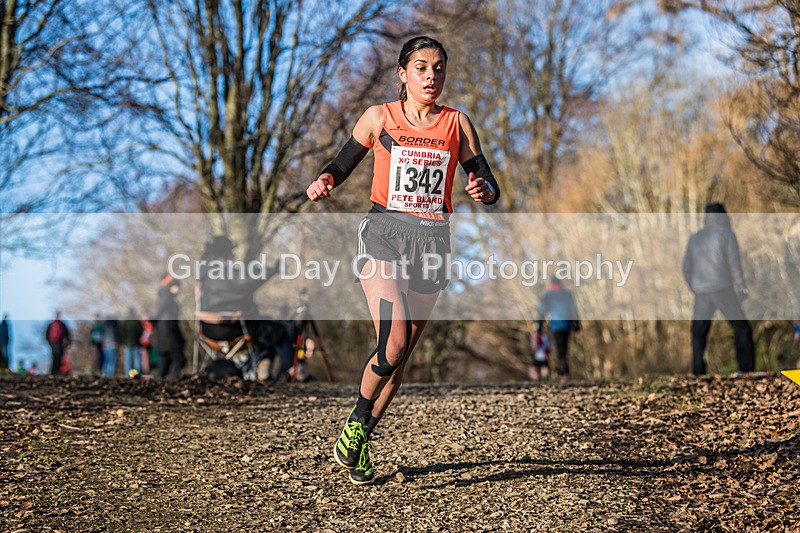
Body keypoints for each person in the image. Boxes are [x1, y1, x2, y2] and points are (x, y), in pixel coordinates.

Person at [307, 36, 500, 485]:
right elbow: (342, 162)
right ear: (403, 73)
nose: (431, 76)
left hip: (432, 244)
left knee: (399, 356)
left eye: (438, 68)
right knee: (391, 344)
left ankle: (361, 441)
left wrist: (484, 191)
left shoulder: (457, 123)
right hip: (385, 235)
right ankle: (354, 425)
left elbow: (487, 182)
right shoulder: (380, 117)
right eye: (421, 68)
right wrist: (324, 180)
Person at [682, 203, 755, 374]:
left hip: (701, 292)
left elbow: (686, 268)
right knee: (741, 328)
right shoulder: (726, 234)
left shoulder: (695, 237)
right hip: (722, 288)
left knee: (698, 333)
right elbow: (734, 264)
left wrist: (694, 286)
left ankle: (698, 372)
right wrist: (741, 287)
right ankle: (746, 370)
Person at [538, 278, 580, 379]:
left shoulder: (548, 295)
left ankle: (562, 372)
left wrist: (539, 325)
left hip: (555, 325)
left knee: (558, 348)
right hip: (566, 325)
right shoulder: (567, 294)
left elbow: (542, 311)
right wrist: (576, 323)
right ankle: (564, 372)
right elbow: (573, 309)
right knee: (564, 349)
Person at [153, 274, 185, 379]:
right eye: (177, 287)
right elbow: (158, 314)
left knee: (163, 365)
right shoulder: (168, 298)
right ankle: (174, 381)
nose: (179, 289)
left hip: (163, 334)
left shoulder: (163, 297)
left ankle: (159, 384)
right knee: (178, 360)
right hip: (169, 333)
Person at [119, 307, 144, 377]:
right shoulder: (137, 321)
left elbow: (123, 333)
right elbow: (140, 331)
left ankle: (128, 375)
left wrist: (123, 342)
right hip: (136, 343)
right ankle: (137, 374)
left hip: (127, 344)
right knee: (137, 360)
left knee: (128, 361)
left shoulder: (126, 322)